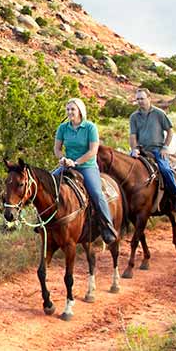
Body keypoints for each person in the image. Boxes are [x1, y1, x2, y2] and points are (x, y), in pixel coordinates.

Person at [53, 98, 117, 244]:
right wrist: (62, 158)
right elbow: (57, 149)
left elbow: (93, 151)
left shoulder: (90, 127)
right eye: (68, 109)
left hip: (87, 166)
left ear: (80, 111)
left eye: (73, 109)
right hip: (67, 165)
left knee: (96, 193)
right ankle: (43, 222)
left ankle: (108, 227)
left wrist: (75, 162)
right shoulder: (63, 128)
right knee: (48, 184)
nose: (70, 112)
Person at [128, 88, 176, 211]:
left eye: (142, 98)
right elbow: (132, 136)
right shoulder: (134, 117)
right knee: (126, 170)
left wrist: (165, 147)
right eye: (138, 99)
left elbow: (170, 131)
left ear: (149, 98)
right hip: (141, 150)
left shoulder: (159, 114)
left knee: (166, 170)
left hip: (157, 150)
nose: (140, 101)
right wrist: (134, 149)